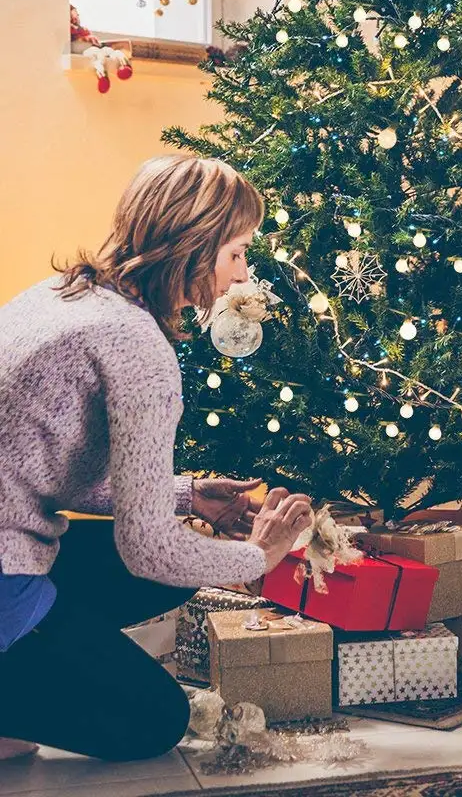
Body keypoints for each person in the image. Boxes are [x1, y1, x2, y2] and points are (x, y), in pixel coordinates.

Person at [0, 156, 313, 761]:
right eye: (237, 253)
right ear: (195, 247)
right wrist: (260, 555)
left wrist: (185, 495)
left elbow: (43, 470)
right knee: (153, 719)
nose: (241, 275)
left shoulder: (60, 293)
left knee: (170, 573)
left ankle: (36, 666)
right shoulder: (136, 345)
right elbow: (147, 548)